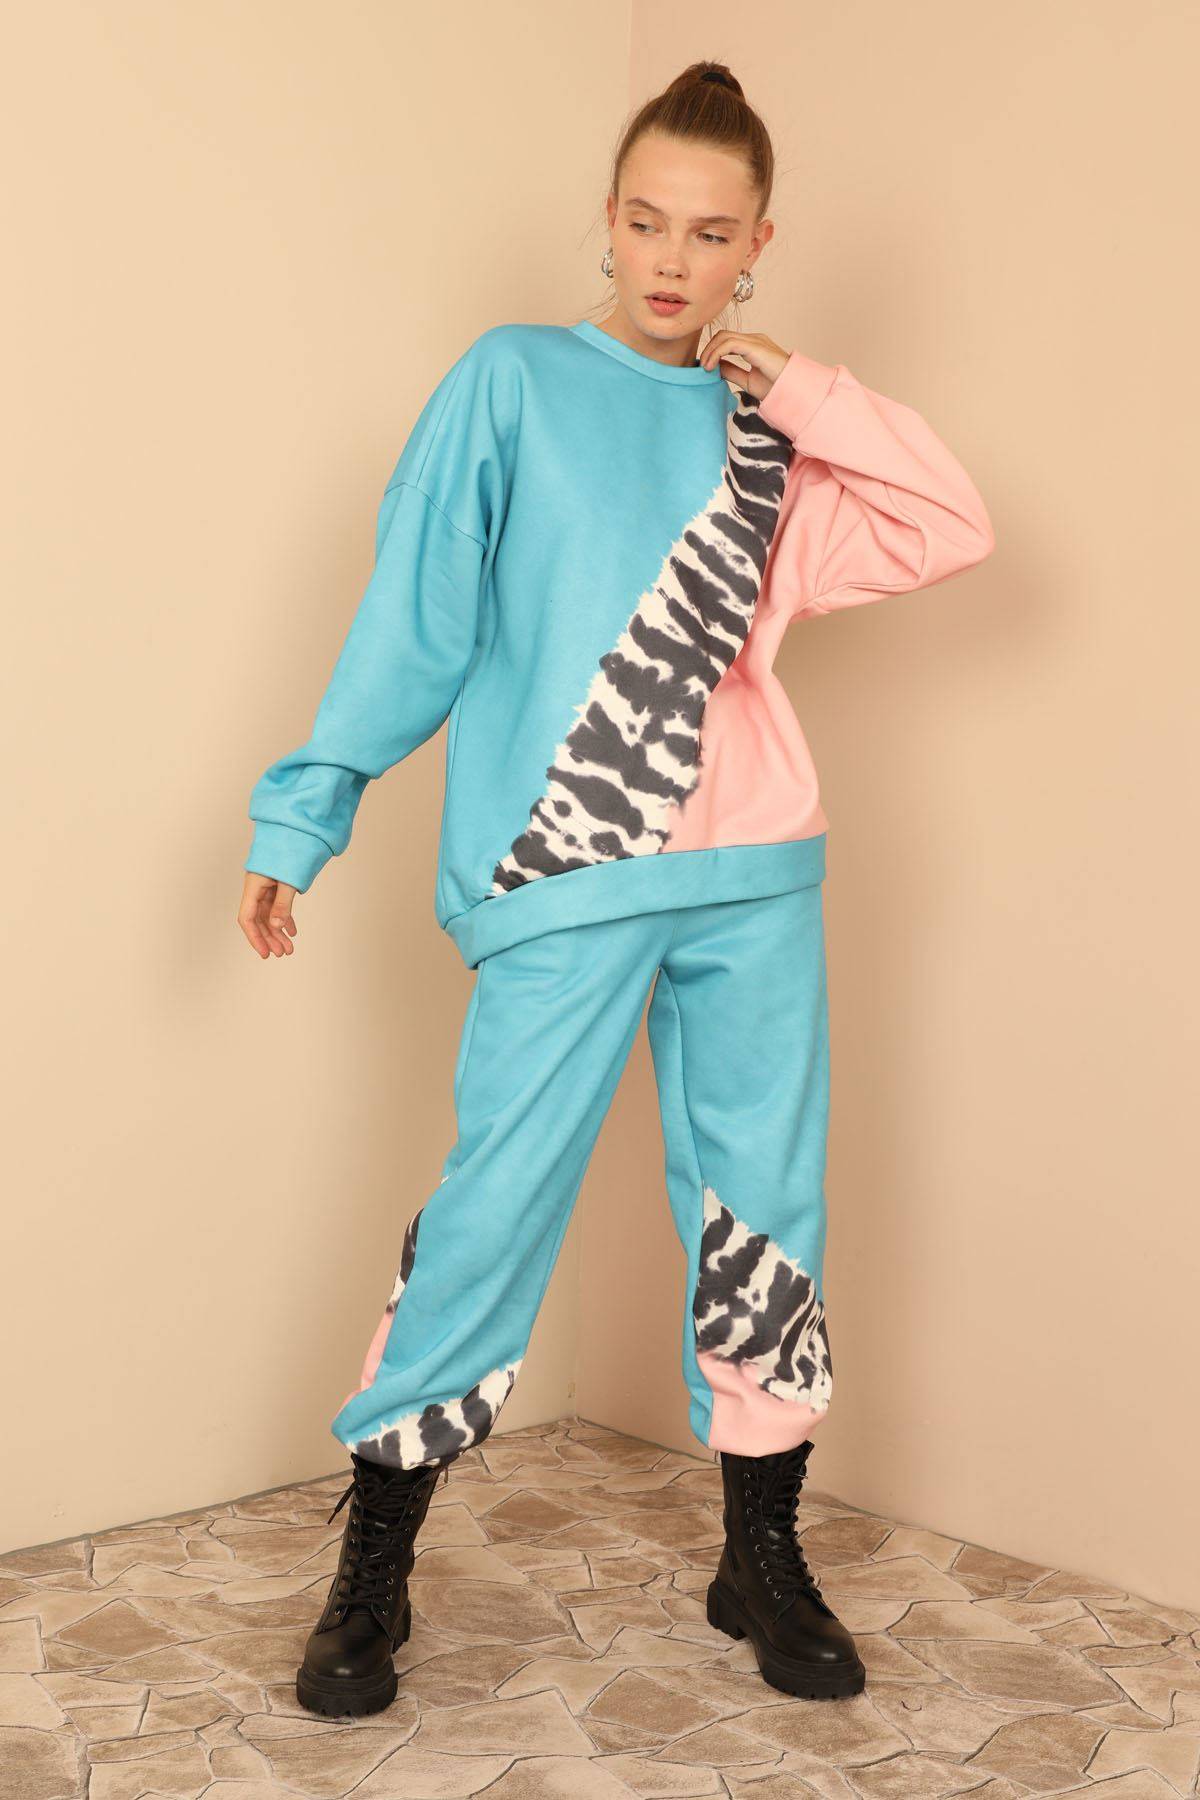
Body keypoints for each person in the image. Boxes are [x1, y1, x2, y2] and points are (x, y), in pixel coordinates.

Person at [238, 62, 994, 1719]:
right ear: (608, 219)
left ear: (758, 246)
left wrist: (809, 388)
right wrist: (307, 812)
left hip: (754, 873)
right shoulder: (510, 381)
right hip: (562, 870)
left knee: (763, 1207)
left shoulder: (767, 437)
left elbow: (950, 523)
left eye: (711, 234)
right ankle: (377, 1567)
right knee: (497, 1199)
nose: (672, 259)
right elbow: (419, 615)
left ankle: (759, 1555)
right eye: (647, 222)